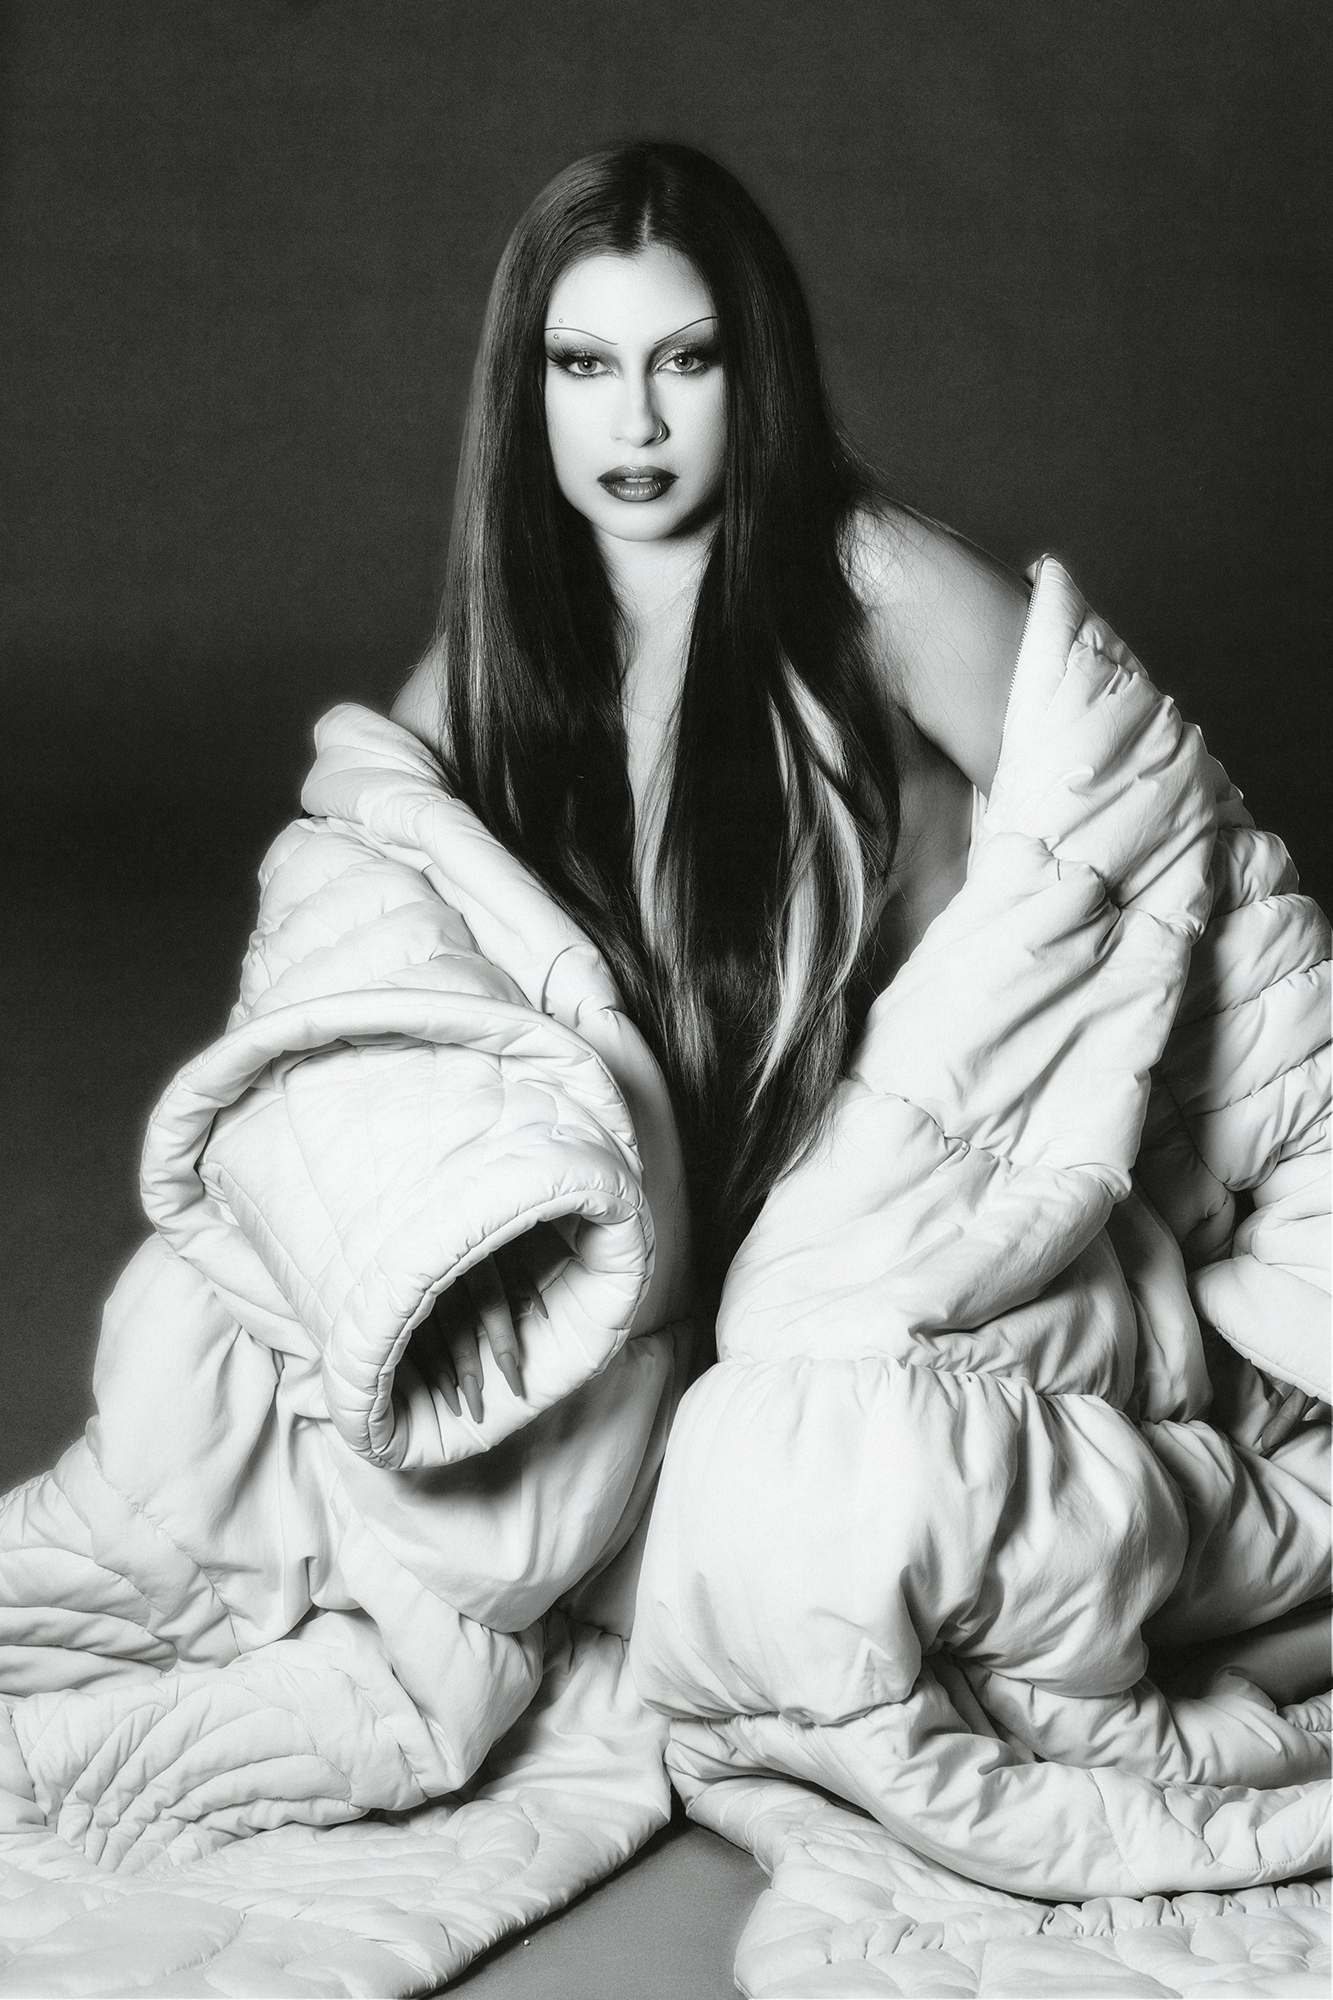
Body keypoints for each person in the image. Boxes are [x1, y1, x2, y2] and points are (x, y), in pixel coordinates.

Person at [0, 140, 1326, 1991]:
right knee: (213, 1344)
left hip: (942, 1256)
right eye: (583, 365)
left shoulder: (872, 583)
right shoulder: (501, 658)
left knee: (813, 1487)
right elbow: (366, 951)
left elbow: (1179, 864)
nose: (633, 423)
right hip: (681, 1289)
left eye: (683, 362)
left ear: (750, 372)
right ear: (525, 389)